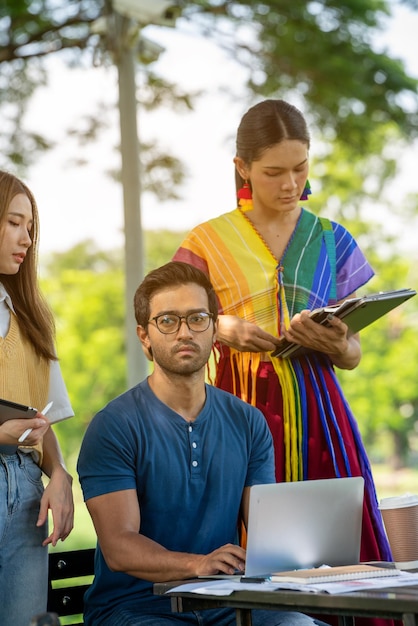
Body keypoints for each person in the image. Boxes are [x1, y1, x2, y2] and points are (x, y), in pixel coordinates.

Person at [172, 99, 392, 567]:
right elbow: (164, 326)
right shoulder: (205, 242)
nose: (290, 183)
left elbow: (352, 356)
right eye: (273, 172)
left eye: (300, 167)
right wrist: (219, 328)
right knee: (241, 545)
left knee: (332, 550)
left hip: (321, 416)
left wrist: (338, 344)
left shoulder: (332, 238)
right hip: (235, 409)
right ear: (242, 168)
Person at [77, 261, 328, 626]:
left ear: (213, 330)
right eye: (167, 320)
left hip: (227, 604)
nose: (184, 332)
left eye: (197, 318)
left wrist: (308, 554)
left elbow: (265, 532)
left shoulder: (248, 422)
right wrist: (198, 564)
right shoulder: (113, 426)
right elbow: (119, 546)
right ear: (144, 336)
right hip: (136, 608)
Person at [0, 170, 74, 626]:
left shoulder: (30, 318)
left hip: (27, 495)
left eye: (30, 227)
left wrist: (61, 475)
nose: (26, 237)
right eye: (13, 222)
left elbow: (41, 420)